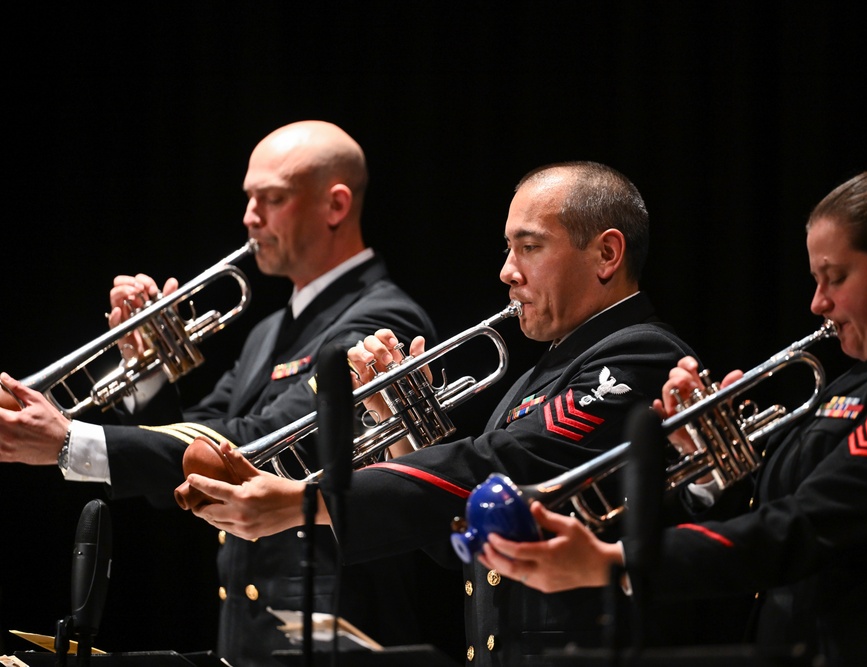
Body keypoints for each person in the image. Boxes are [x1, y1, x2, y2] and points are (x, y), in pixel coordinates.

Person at [174, 161, 703, 666]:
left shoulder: (644, 356)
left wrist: (310, 502)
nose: (507, 272)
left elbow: (505, 465)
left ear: (607, 254)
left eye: (530, 247)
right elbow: (461, 538)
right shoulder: (538, 375)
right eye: (508, 248)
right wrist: (401, 425)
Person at [477, 168, 867, 666]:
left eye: (834, 278)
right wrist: (710, 466)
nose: (818, 303)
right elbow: (767, 509)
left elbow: (806, 526)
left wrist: (618, 561)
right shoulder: (855, 381)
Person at [0, 121, 446, 666]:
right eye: (248, 198)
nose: (249, 217)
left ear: (335, 205)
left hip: (337, 636)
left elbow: (254, 446)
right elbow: (197, 453)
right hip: (251, 639)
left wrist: (74, 441)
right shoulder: (268, 332)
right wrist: (149, 370)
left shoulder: (380, 317)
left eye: (271, 198)